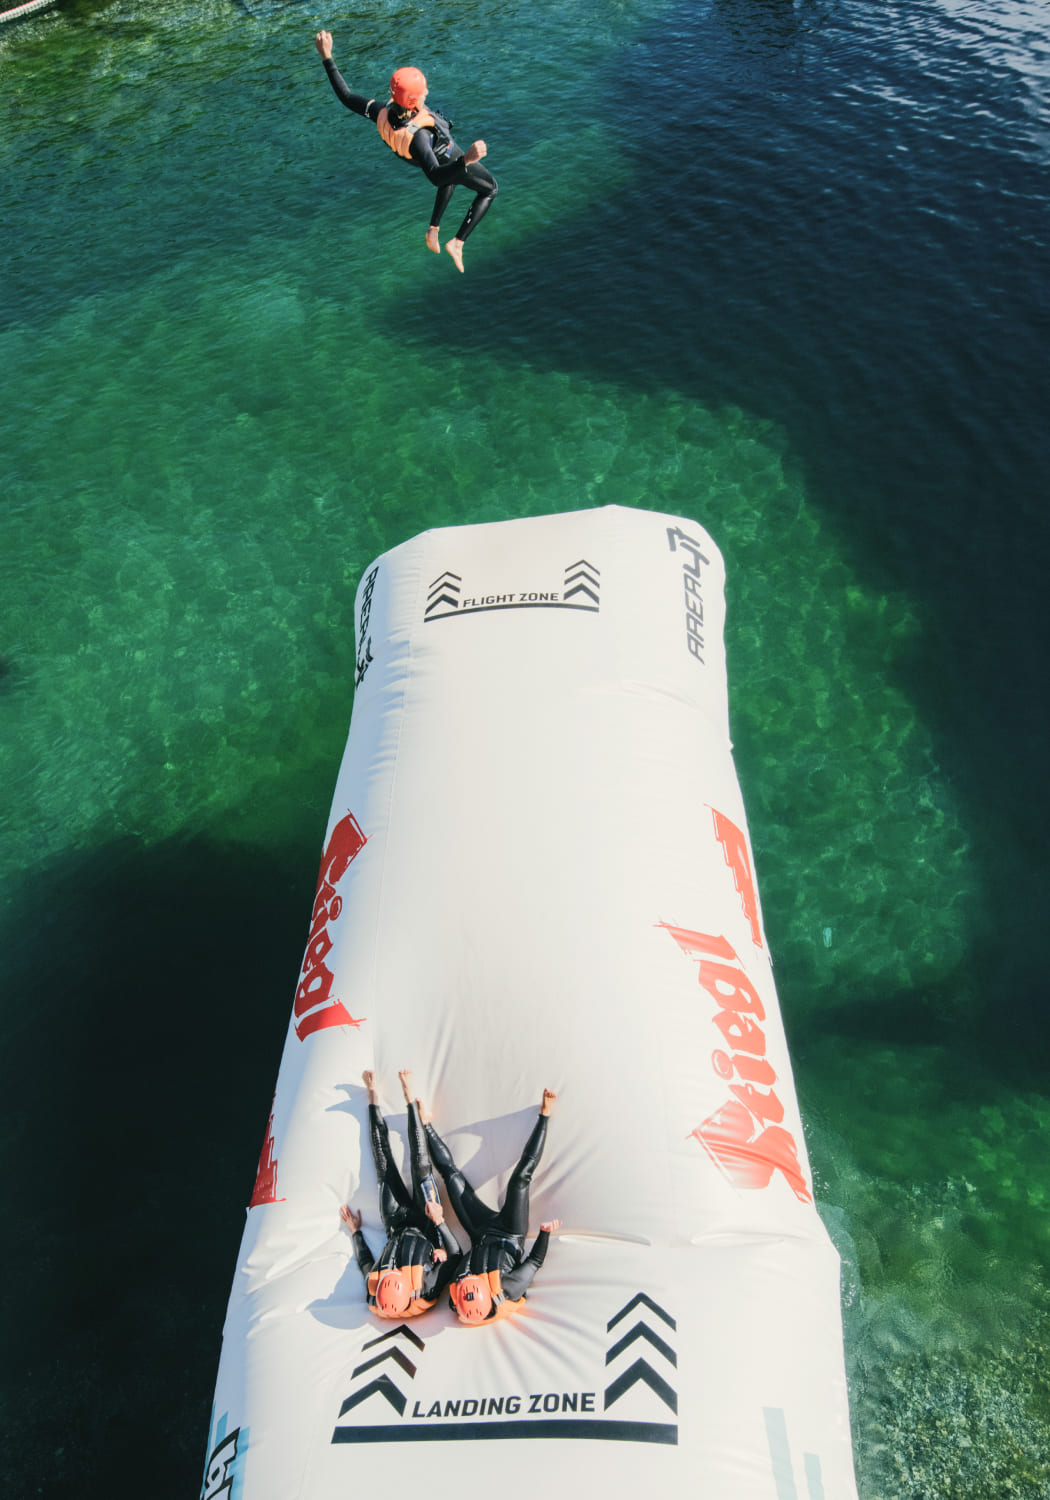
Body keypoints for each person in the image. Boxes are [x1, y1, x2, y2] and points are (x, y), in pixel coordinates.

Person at [314, 30, 498, 274]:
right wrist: (468, 159)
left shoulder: (382, 111)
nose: (427, 93)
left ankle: (433, 229)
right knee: (490, 188)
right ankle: (457, 242)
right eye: (423, 92)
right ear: (412, 101)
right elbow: (435, 176)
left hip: (422, 156)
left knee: (449, 175)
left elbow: (347, 97)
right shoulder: (421, 136)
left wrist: (327, 57)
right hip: (441, 154)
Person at [417, 1086, 560, 1325]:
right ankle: (544, 1116)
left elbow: (450, 1261)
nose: (464, 1280)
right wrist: (545, 1233)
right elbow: (534, 1262)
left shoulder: (456, 1297)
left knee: (451, 1177)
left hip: (479, 1232)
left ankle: (426, 1125)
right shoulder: (509, 1288)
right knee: (520, 1178)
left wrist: (437, 1256)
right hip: (510, 1231)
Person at [340, 1069, 461, 1319]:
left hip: (395, 1223)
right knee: (420, 1167)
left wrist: (355, 1232)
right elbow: (456, 1254)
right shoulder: (426, 1289)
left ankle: (373, 1099)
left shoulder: (375, 1290)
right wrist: (439, 1221)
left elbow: (365, 1264)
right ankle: (409, 1099)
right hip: (427, 1224)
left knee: (382, 1164)